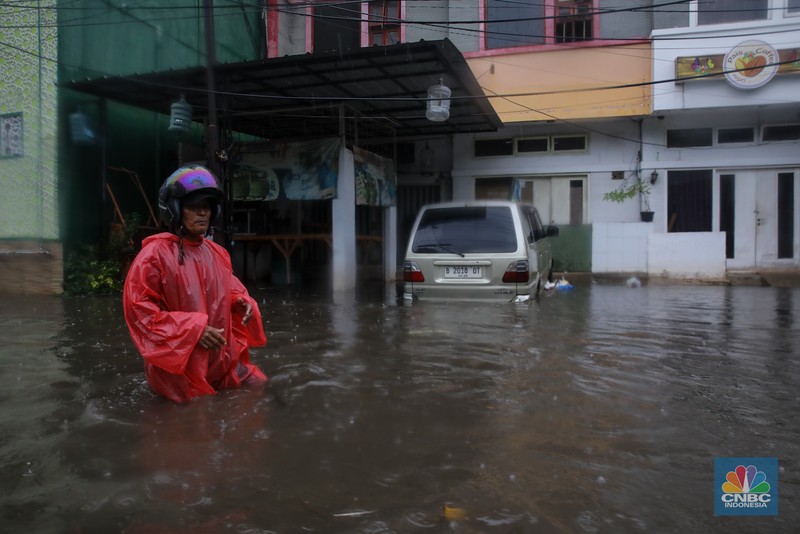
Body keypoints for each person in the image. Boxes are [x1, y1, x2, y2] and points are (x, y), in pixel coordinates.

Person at [123, 164, 267, 402]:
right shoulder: (153, 257)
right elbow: (140, 313)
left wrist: (242, 302)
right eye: (194, 207)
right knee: (191, 427)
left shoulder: (217, 253)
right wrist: (193, 330)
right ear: (175, 210)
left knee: (258, 389)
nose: (203, 213)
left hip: (220, 361)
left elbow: (227, 290)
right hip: (180, 369)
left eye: (207, 207)